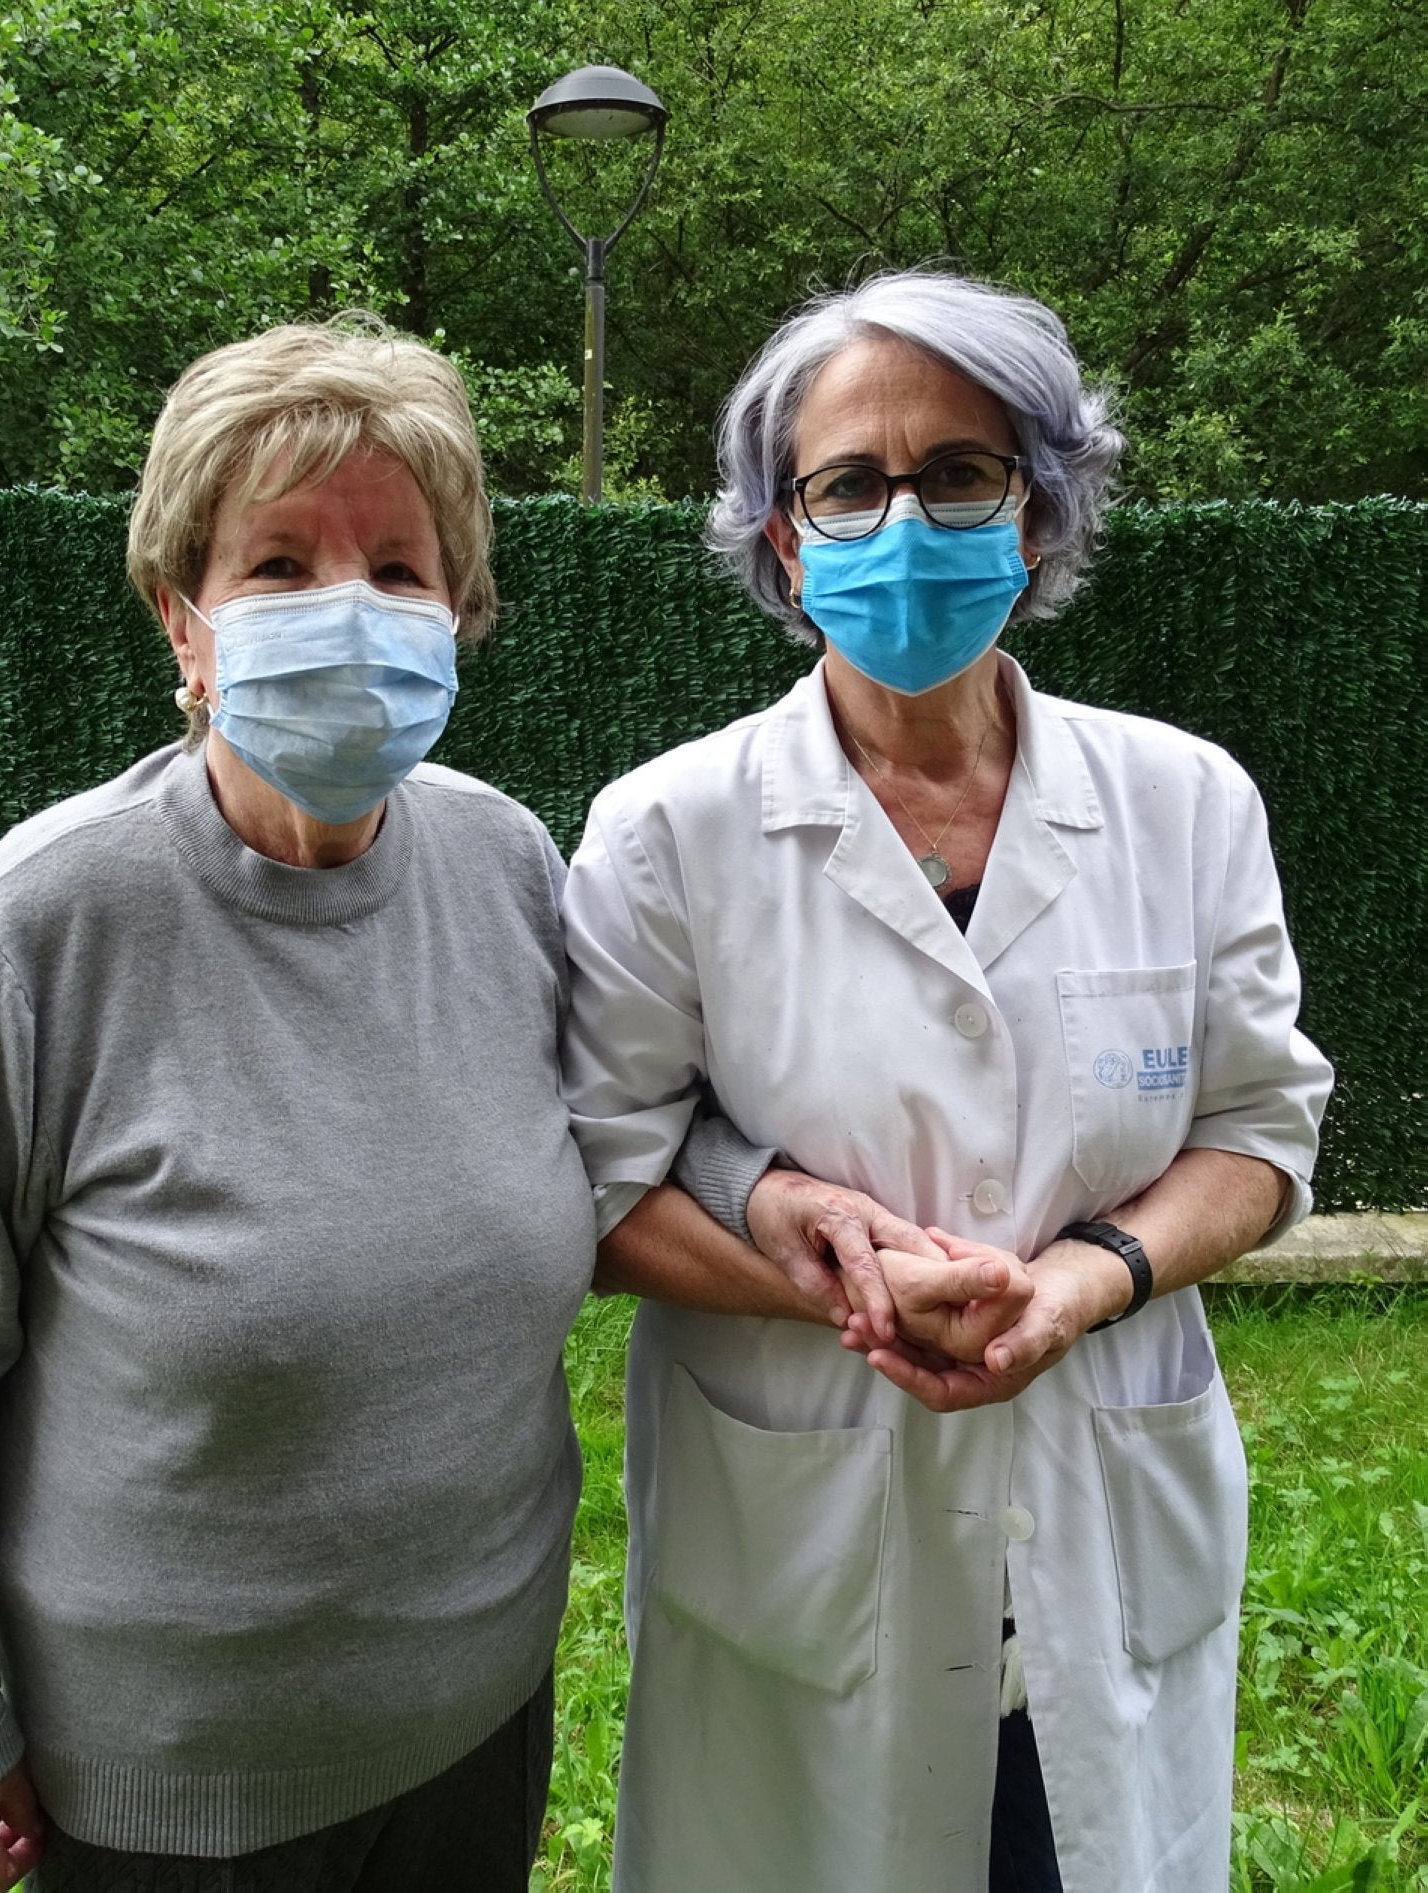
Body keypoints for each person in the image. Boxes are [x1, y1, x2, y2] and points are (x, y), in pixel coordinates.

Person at [558, 270, 1333, 1892]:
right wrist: (835, 1282)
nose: (903, 520)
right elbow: (600, 1182)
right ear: (785, 541)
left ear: (1039, 511)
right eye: (848, 483)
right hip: (805, 1567)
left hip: (1107, 1520)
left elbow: (1261, 1131)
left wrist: (1091, 1275)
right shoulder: (666, 832)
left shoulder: (1188, 803)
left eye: (960, 472)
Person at [0, 320, 598, 1893]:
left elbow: (627, 1139)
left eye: (399, 565)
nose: (349, 606)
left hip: (475, 1717)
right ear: (185, 620)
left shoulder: (508, 865)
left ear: (458, 613)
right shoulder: (39, 925)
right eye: (281, 563)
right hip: (178, 1789)